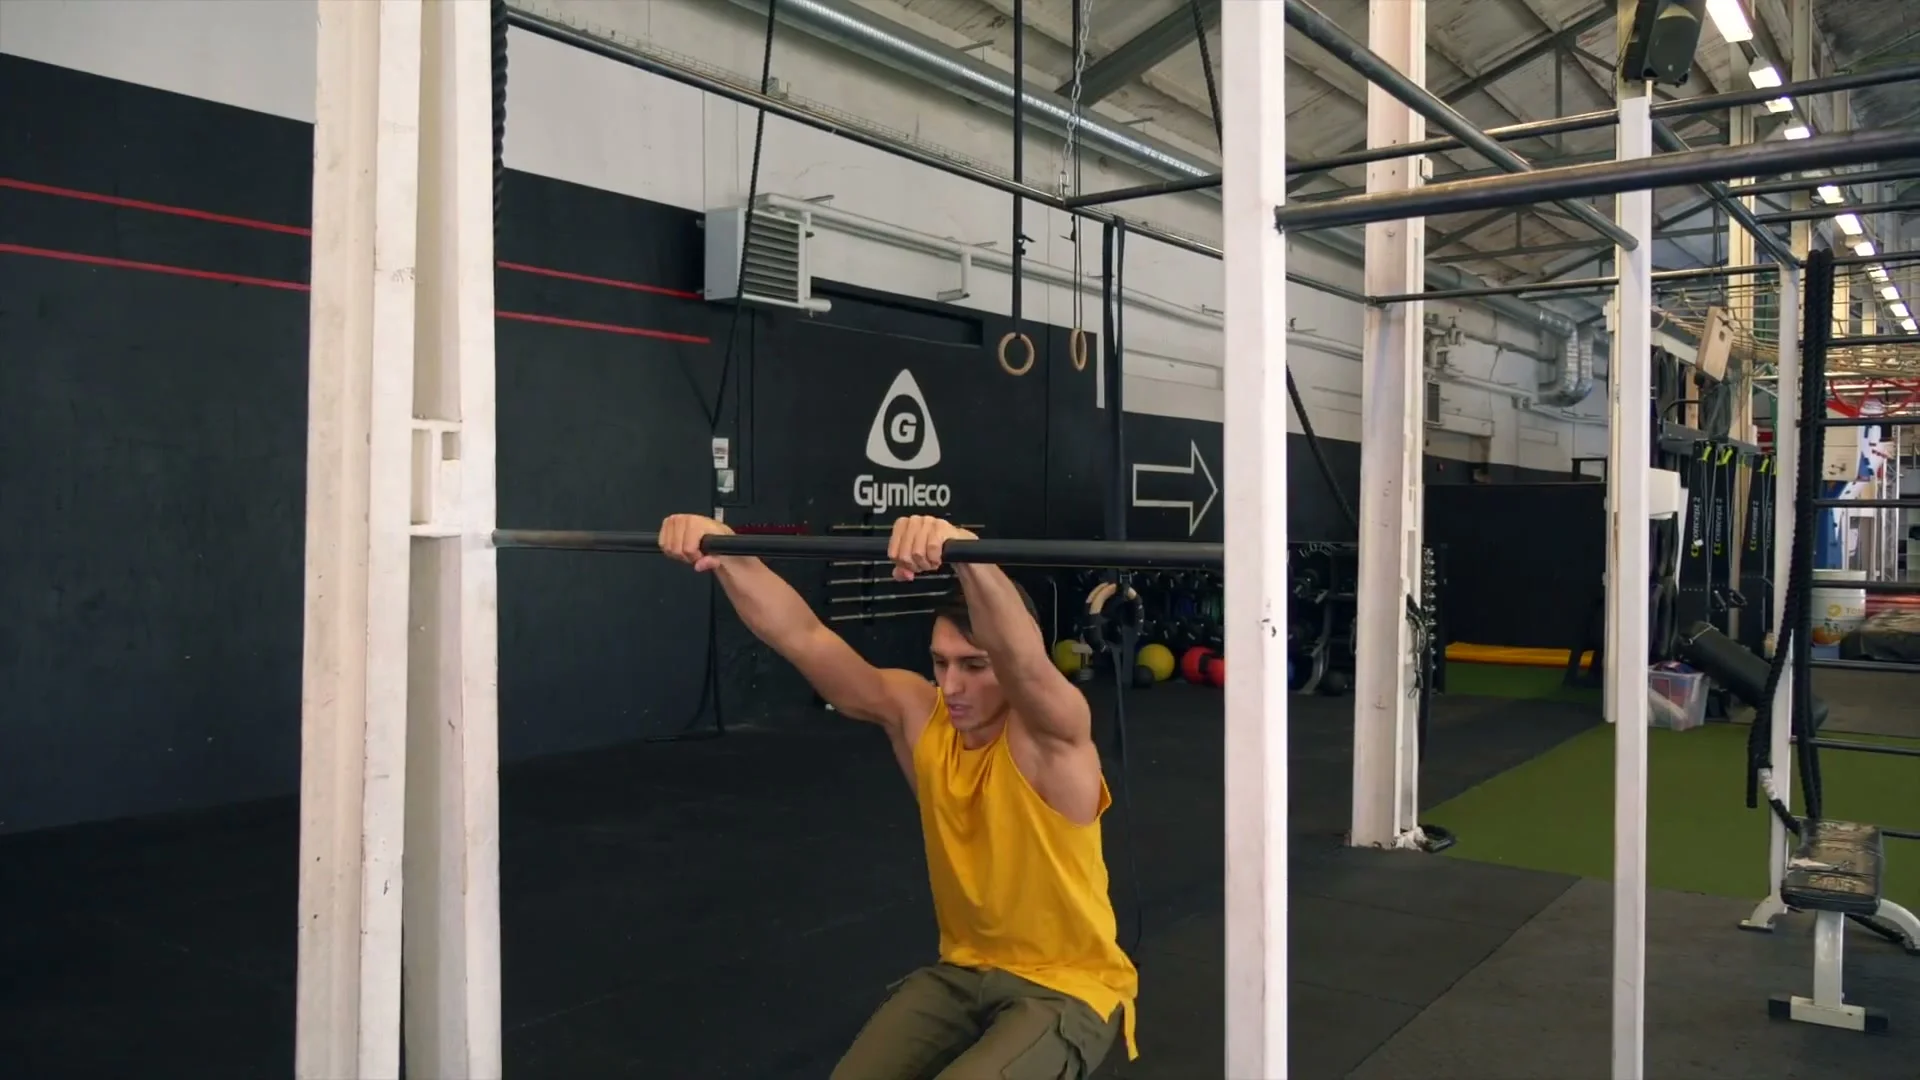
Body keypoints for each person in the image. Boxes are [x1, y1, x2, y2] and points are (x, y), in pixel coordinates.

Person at [660, 513, 1138, 1079]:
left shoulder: (1051, 740)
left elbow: (1026, 663)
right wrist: (730, 557)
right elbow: (805, 637)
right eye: (940, 663)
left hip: (1067, 988)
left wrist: (969, 557)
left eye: (974, 665)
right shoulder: (918, 716)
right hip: (961, 973)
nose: (951, 685)